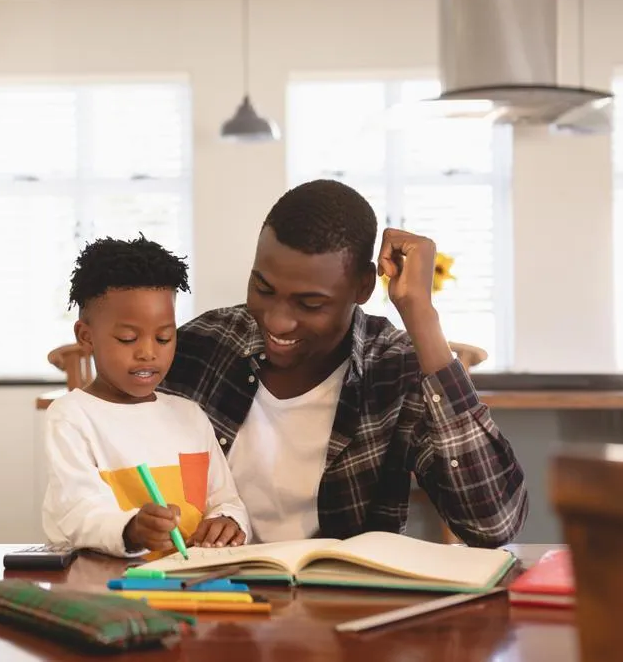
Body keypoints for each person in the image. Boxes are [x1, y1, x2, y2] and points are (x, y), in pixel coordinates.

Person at [160, 179, 528, 548]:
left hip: (341, 600)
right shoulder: (202, 345)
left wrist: (421, 313)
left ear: (364, 287)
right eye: (263, 289)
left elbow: (493, 524)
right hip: (208, 590)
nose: (277, 321)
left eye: (310, 304)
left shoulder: (394, 370)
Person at [42, 236, 251, 556]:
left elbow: (225, 499)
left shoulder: (190, 415)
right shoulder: (72, 416)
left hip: (191, 583)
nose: (148, 353)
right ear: (86, 337)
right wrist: (132, 530)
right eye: (127, 338)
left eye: (164, 337)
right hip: (110, 588)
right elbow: (77, 513)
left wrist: (227, 520)